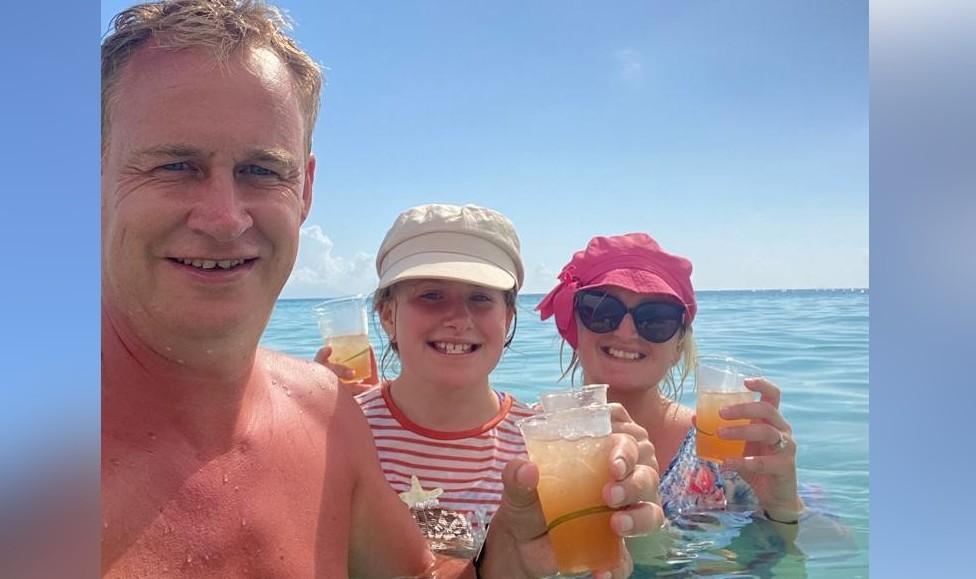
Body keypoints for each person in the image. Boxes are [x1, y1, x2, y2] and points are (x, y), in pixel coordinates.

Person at [101, 1, 661, 577]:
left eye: (262, 170)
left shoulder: (323, 414)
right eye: (173, 166)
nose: (224, 217)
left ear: (305, 190)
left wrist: (513, 556)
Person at [319, 204, 664, 572]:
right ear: (388, 316)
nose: (458, 318)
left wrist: (637, 524)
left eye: (481, 297)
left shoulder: (547, 447)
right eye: (431, 295)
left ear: (508, 318)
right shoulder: (337, 433)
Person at [537, 233, 806, 539]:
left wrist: (782, 507)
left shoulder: (727, 449)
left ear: (678, 345)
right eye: (601, 310)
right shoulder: (533, 442)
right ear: (575, 327)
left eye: (655, 318)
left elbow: (837, 545)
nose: (626, 332)